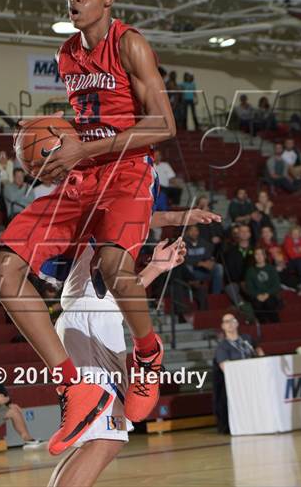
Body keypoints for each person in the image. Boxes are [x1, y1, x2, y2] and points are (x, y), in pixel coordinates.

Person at [0, 0, 177, 456]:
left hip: (129, 170)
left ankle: (149, 355)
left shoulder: (129, 43)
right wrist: (49, 145)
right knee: (4, 270)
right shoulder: (67, 52)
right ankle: (74, 386)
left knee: (115, 264)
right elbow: (87, 120)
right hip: (82, 176)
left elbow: (165, 125)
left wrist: (82, 149)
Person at [49, 208, 218, 487]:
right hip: (92, 321)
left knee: (99, 436)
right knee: (106, 437)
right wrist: (179, 217)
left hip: (94, 318)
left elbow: (118, 292)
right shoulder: (106, 210)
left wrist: (155, 267)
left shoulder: (112, 237)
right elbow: (134, 216)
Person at [213, 312, 264, 434]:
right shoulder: (222, 347)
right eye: (226, 322)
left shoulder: (247, 339)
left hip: (254, 378)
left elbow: (259, 352)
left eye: (232, 321)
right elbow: (225, 367)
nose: (229, 324)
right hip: (238, 382)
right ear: (223, 326)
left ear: (237, 323)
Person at [245, 248, 281, 323]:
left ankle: (276, 324)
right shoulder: (250, 271)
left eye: (261, 254)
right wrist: (257, 295)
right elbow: (249, 288)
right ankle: (263, 324)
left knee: (269, 302)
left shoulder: (271, 268)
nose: (259, 256)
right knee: (257, 305)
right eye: (256, 254)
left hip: (270, 295)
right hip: (257, 296)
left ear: (264, 256)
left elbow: (276, 285)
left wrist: (267, 294)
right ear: (254, 256)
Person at [184, 225, 223, 294]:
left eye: (196, 230)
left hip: (203, 271)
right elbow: (185, 260)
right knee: (187, 267)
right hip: (190, 272)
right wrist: (199, 263)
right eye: (191, 230)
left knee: (218, 267)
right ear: (187, 232)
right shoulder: (183, 244)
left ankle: (216, 295)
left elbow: (208, 256)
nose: (194, 232)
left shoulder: (203, 243)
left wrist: (210, 262)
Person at [223, 225, 255, 308]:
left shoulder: (256, 250)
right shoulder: (230, 252)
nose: (244, 233)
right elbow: (230, 272)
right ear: (238, 234)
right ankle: (243, 306)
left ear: (250, 234)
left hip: (253, 281)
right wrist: (241, 282)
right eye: (242, 231)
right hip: (237, 282)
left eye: (246, 231)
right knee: (231, 288)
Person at [283, 226, 301, 294]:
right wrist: (300, 253)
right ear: (290, 234)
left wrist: (298, 253)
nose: (295, 235)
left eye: (297, 233)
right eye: (294, 233)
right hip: (291, 263)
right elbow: (291, 255)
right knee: (300, 261)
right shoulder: (287, 241)